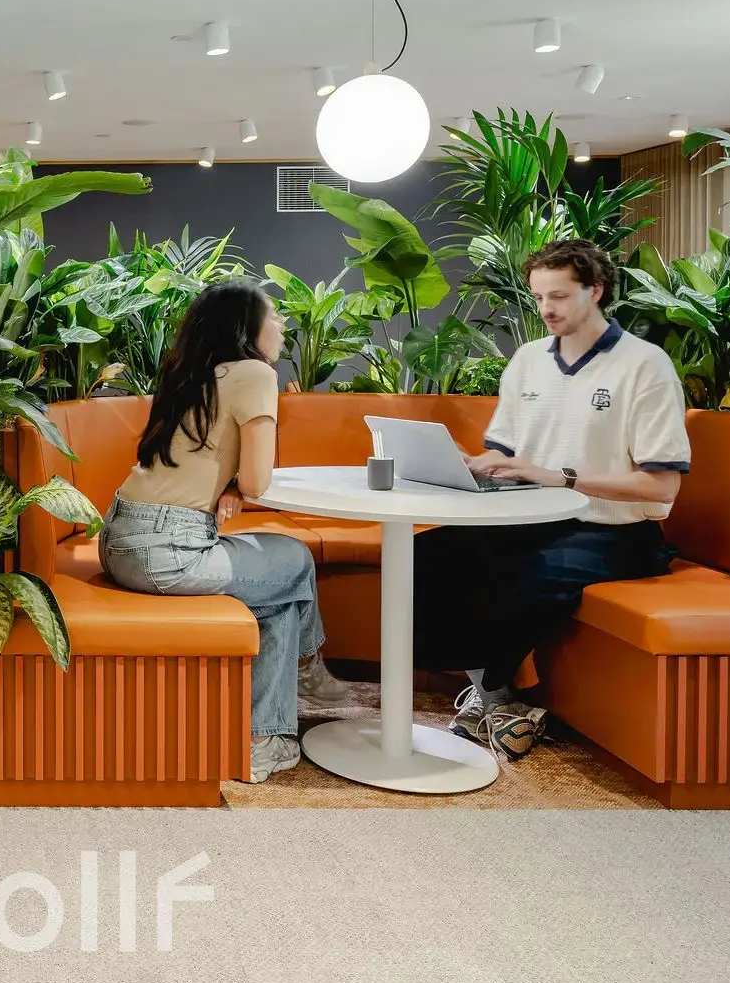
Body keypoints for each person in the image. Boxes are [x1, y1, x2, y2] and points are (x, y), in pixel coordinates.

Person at [415, 238, 689, 760]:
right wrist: (474, 462)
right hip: (526, 518)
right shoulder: (527, 360)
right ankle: (495, 695)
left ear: (597, 290)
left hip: (613, 531)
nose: (546, 310)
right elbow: (505, 447)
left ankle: (492, 695)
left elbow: (661, 486)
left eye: (559, 296)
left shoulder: (644, 366)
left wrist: (559, 477)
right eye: (539, 297)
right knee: (428, 557)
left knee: (518, 578)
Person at [99, 279, 362, 784]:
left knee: (280, 600)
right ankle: (306, 669)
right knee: (297, 559)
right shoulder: (255, 374)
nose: (282, 325)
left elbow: (212, 464)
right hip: (169, 551)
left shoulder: (192, 371)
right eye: (274, 316)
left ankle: (269, 739)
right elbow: (261, 480)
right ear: (247, 327)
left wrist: (231, 488)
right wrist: (244, 485)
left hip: (121, 537)